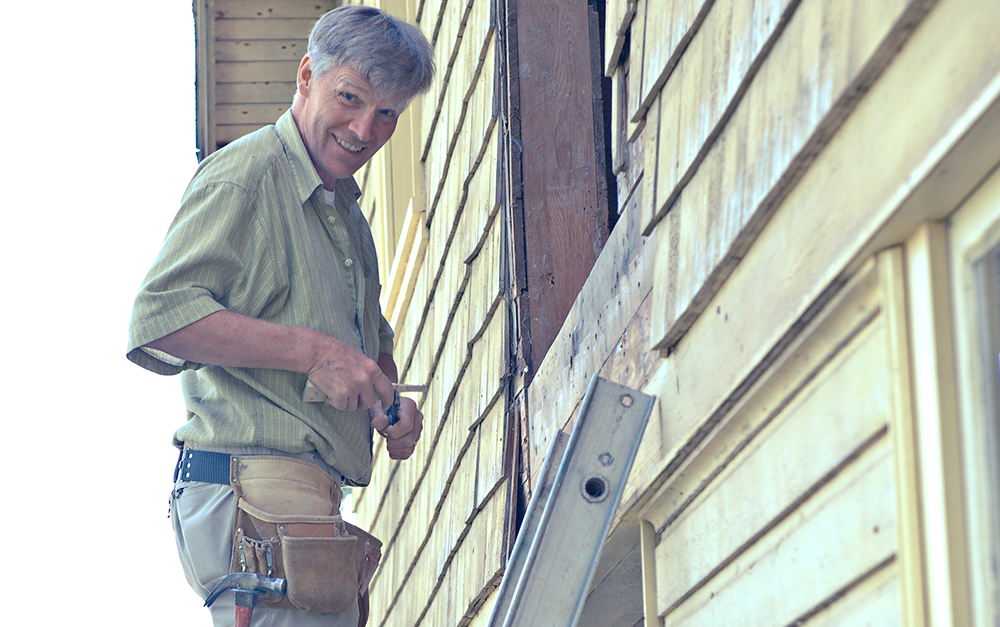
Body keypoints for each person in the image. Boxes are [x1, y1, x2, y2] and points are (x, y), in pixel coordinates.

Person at [126, 6, 435, 626]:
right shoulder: (247, 174)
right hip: (251, 489)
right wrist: (315, 353)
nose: (364, 128)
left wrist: (385, 404)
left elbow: (368, 348)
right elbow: (158, 318)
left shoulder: (348, 216)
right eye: (350, 97)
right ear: (304, 76)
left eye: (387, 114)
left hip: (302, 499)